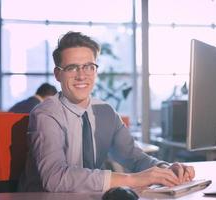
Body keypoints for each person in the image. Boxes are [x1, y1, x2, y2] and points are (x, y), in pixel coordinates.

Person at [18, 31, 195, 193]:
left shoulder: (106, 112)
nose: (81, 75)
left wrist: (166, 169)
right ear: (58, 74)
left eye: (89, 66)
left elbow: (135, 157)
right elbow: (55, 179)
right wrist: (132, 179)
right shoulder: (46, 114)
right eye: (72, 68)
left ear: (95, 71)